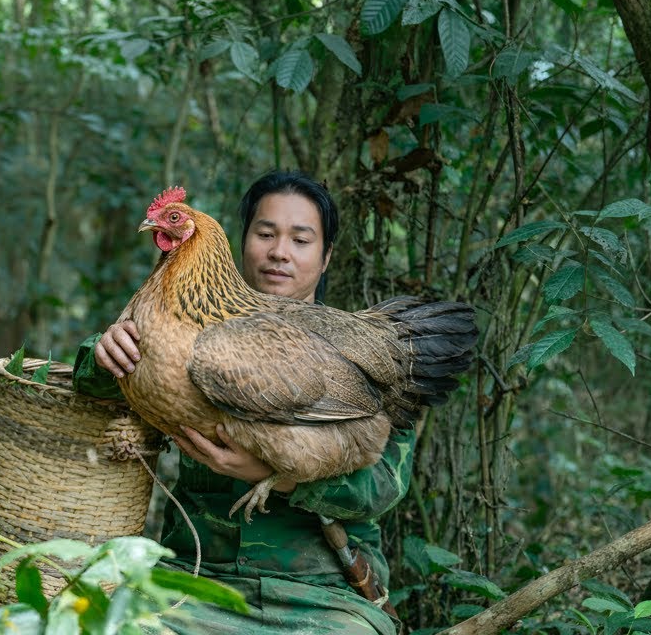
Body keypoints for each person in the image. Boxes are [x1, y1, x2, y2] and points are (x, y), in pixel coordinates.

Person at [72, 170, 414, 634]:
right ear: (242, 242)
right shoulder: (174, 335)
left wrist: (284, 479)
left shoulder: (361, 355)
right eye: (265, 233)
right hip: (195, 579)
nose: (279, 251)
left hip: (322, 593)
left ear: (326, 256)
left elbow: (383, 487)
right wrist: (103, 353)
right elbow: (90, 390)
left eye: (301, 239)